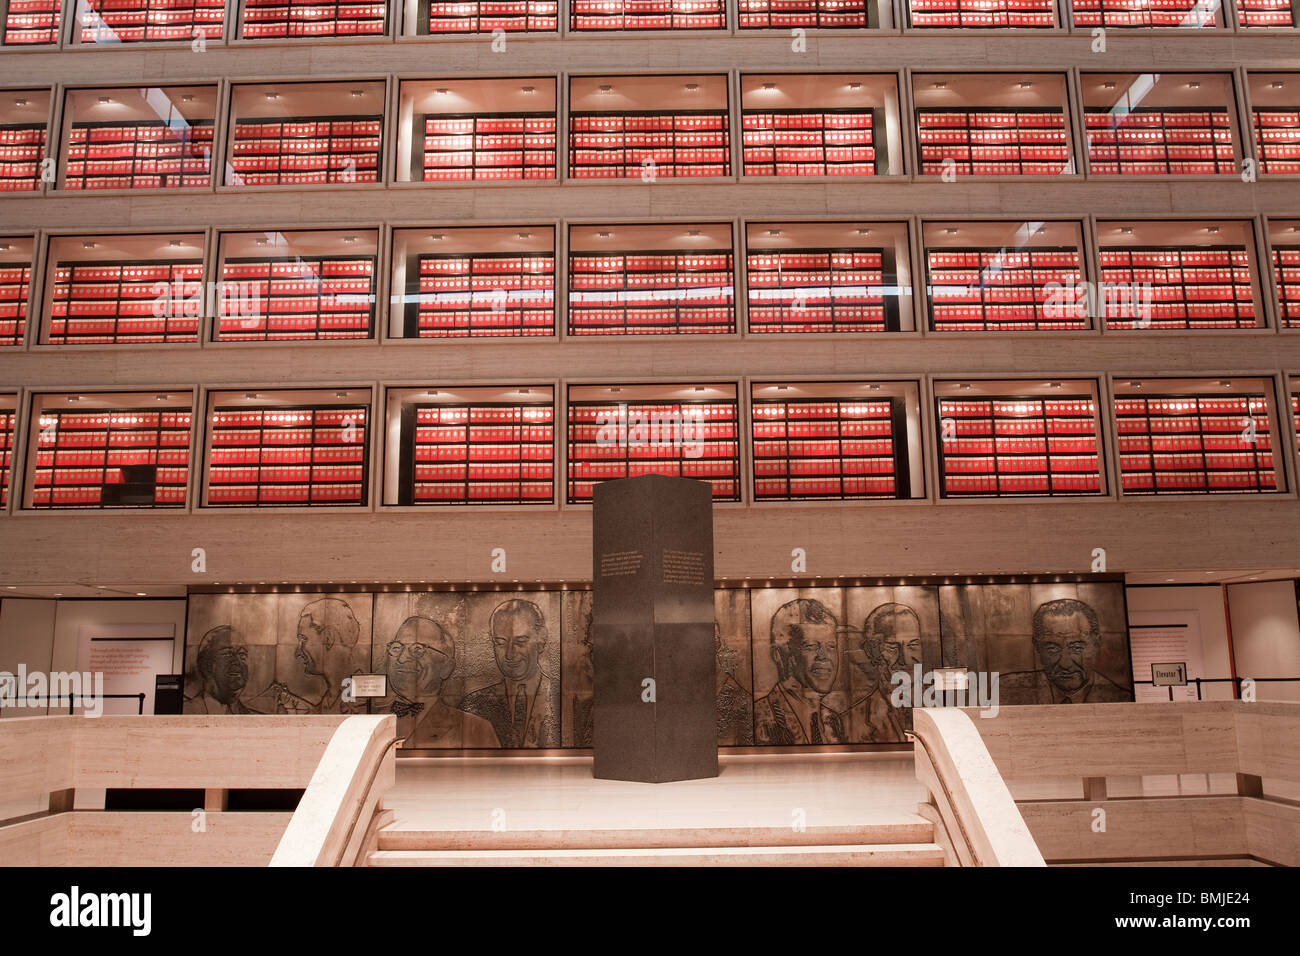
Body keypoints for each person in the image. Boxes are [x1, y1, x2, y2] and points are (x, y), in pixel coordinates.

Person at [384, 616, 500, 749]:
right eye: (396, 648)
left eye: (418, 649)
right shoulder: (371, 719)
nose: (402, 658)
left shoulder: (476, 729)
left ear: (446, 667)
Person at [459, 599, 559, 748]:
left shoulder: (564, 700)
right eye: (500, 643)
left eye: (520, 642)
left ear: (541, 639)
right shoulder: (474, 704)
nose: (509, 654)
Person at [1001, 598, 1130, 704]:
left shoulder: (1120, 698)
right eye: (1052, 649)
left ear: (1096, 644)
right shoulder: (1006, 690)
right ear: (1037, 647)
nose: (1065, 664)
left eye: (1077, 648)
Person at [754, 599, 847, 745]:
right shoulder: (760, 718)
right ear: (779, 655)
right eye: (810, 646)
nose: (824, 656)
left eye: (831, 646)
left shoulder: (833, 720)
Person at [843, 603, 917, 743]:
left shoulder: (940, 705)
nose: (905, 659)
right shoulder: (854, 719)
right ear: (872, 651)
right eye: (892, 646)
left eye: (913, 645)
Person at [185, 625, 256, 714]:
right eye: (227, 654)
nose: (237, 662)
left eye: (242, 655)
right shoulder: (186, 711)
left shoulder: (253, 717)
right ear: (205, 665)